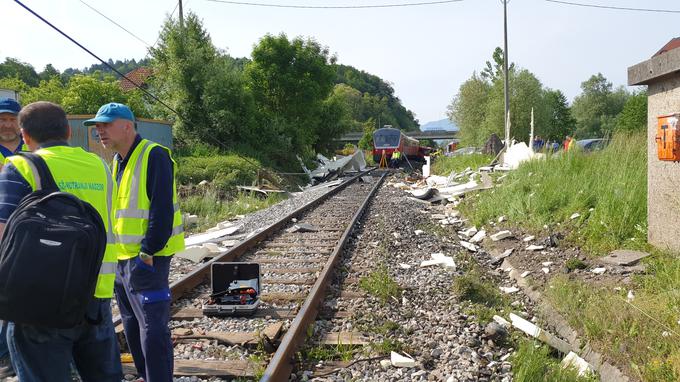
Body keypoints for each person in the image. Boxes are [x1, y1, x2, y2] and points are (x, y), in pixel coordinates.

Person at [0, 101, 121, 381]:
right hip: (97, 293)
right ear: (68, 131)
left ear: (25, 136)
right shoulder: (99, 166)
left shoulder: (20, 166)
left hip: (40, 299)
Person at [87, 103, 185, 382]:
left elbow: (161, 209)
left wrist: (147, 251)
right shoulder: (116, 161)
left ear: (127, 126)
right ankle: (145, 374)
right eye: (97, 126)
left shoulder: (154, 155)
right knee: (131, 323)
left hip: (146, 258)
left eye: (105, 124)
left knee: (152, 326)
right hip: (121, 258)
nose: (99, 131)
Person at [0, 97, 25, 378]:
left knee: (18, 296)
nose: (7, 125)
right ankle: (6, 355)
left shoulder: (31, 149)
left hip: (28, 234)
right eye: (2, 120)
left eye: (11, 119)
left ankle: (12, 352)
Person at [0, 98, 28, 166]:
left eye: (13, 120)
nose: (8, 126)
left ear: (21, 122)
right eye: (2, 120)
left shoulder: (35, 147)